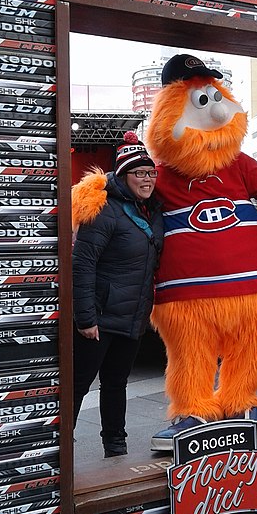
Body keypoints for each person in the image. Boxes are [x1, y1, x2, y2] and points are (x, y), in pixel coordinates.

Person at [71, 132, 163, 457]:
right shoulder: (104, 209)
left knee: (116, 383)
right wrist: (85, 318)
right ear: (124, 175)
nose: (147, 178)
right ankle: (54, 447)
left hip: (132, 318)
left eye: (151, 172)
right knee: (77, 385)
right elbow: (82, 264)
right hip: (98, 319)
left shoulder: (151, 210)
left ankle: (115, 444)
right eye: (139, 173)